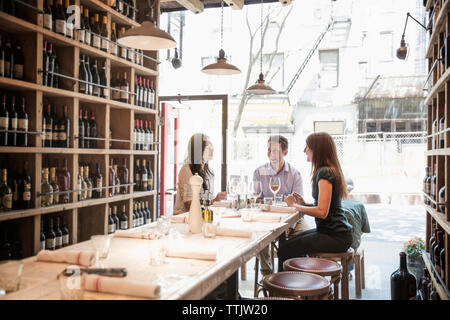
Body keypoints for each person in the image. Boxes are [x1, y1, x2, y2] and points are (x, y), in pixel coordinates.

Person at [277, 132, 353, 271]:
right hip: (334, 233)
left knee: (284, 250)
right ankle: (299, 286)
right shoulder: (330, 170)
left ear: (318, 150)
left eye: (308, 146)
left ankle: (292, 289)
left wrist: (295, 206)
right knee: (287, 245)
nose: (304, 150)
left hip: (335, 236)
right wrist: (304, 204)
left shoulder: (324, 173)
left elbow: (322, 212)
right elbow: (327, 207)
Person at [252, 135, 304, 276]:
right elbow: (256, 200)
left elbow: (298, 206)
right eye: (269, 150)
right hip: (267, 220)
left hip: (292, 221)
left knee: (303, 236)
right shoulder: (259, 172)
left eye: (275, 151)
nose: (270, 154)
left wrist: (289, 226)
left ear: (285, 152)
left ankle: (290, 275)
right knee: (259, 236)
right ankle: (268, 275)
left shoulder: (295, 174)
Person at [174, 133, 227, 215]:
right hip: (184, 218)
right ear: (198, 150)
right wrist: (214, 201)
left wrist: (219, 201)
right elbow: (189, 204)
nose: (212, 150)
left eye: (212, 147)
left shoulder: (210, 172)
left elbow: (209, 199)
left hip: (202, 216)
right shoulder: (186, 170)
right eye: (208, 148)